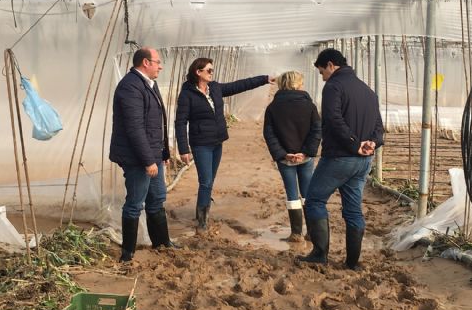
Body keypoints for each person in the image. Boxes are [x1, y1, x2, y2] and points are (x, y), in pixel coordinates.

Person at [297, 48, 383, 270]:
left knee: (315, 200)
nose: (322, 77)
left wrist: (354, 143)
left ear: (330, 65)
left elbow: (333, 119)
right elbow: (378, 127)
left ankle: (319, 253)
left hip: (339, 157)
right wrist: (372, 142)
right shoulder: (367, 91)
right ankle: (352, 262)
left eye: (321, 72)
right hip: (363, 161)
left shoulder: (334, 86)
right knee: (353, 210)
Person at [175, 57, 273, 232]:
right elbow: (180, 122)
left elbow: (239, 85)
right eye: (209, 70)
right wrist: (183, 149)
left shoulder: (215, 89)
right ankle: (202, 221)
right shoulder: (187, 94)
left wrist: (264, 79)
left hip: (217, 142)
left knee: (209, 180)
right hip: (201, 144)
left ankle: (202, 212)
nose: (212, 73)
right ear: (198, 72)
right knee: (205, 181)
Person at [109, 47, 175, 262]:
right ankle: (128, 254)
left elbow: (157, 123)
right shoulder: (130, 86)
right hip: (137, 158)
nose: (160, 66)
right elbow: (134, 128)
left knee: (157, 199)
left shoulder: (148, 84)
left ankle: (162, 243)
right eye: (157, 62)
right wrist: (148, 160)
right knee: (135, 203)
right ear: (145, 62)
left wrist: (162, 152)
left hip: (152, 154)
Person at [263, 71, 321, 242]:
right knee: (308, 193)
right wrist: (306, 152)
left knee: (292, 193)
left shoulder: (273, 108)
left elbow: (269, 134)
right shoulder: (309, 106)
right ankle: (312, 232)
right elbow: (316, 130)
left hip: (285, 158)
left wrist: (283, 153)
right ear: (297, 84)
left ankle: (296, 234)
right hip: (306, 158)